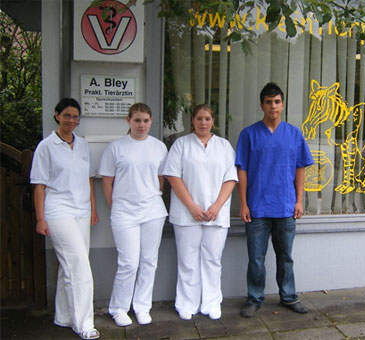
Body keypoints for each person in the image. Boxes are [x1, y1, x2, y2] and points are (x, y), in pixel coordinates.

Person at [235, 83, 314, 318]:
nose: (273, 106)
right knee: (256, 259)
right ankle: (254, 298)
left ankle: (289, 296)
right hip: (257, 207)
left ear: (283, 104)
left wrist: (299, 201)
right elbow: (242, 170)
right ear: (262, 105)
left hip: (286, 206)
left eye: (277, 101)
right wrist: (244, 203)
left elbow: (300, 168)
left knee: (286, 257)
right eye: (268, 102)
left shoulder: (294, 134)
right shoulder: (249, 134)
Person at [30, 98, 100, 340]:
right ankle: (84, 324)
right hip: (58, 211)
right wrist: (41, 219)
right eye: (67, 115)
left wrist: (92, 208)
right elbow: (39, 186)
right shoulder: (46, 147)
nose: (72, 120)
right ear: (57, 115)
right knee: (79, 266)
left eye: (75, 116)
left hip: (81, 211)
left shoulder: (82, 145)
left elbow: (89, 178)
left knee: (69, 267)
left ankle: (64, 316)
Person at [163, 104, 238, 320]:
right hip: (187, 214)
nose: (203, 123)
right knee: (187, 261)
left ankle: (212, 302)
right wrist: (192, 207)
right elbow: (173, 177)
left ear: (212, 121)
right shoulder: (181, 145)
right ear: (192, 121)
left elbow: (230, 178)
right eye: (199, 119)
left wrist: (216, 206)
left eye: (207, 119)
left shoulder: (223, 146)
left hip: (216, 213)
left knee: (213, 260)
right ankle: (186, 303)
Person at [98, 103, 168, 327]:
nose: (142, 125)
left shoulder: (159, 147)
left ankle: (142, 306)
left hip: (152, 211)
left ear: (151, 121)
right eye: (137, 120)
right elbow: (107, 182)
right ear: (128, 120)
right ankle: (118, 308)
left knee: (149, 261)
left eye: (146, 121)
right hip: (124, 213)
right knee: (128, 262)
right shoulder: (116, 147)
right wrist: (115, 206)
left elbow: (161, 179)